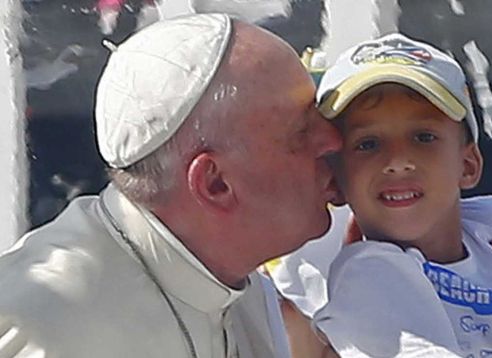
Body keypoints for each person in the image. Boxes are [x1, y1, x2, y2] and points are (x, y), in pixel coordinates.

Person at [0, 13, 343, 357]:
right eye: (301, 132)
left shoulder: (233, 278)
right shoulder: (49, 327)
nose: (334, 141)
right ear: (215, 183)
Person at [277, 33, 492, 357]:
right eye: (368, 144)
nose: (397, 161)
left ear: (468, 165)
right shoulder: (368, 276)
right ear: (334, 181)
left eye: (423, 137)